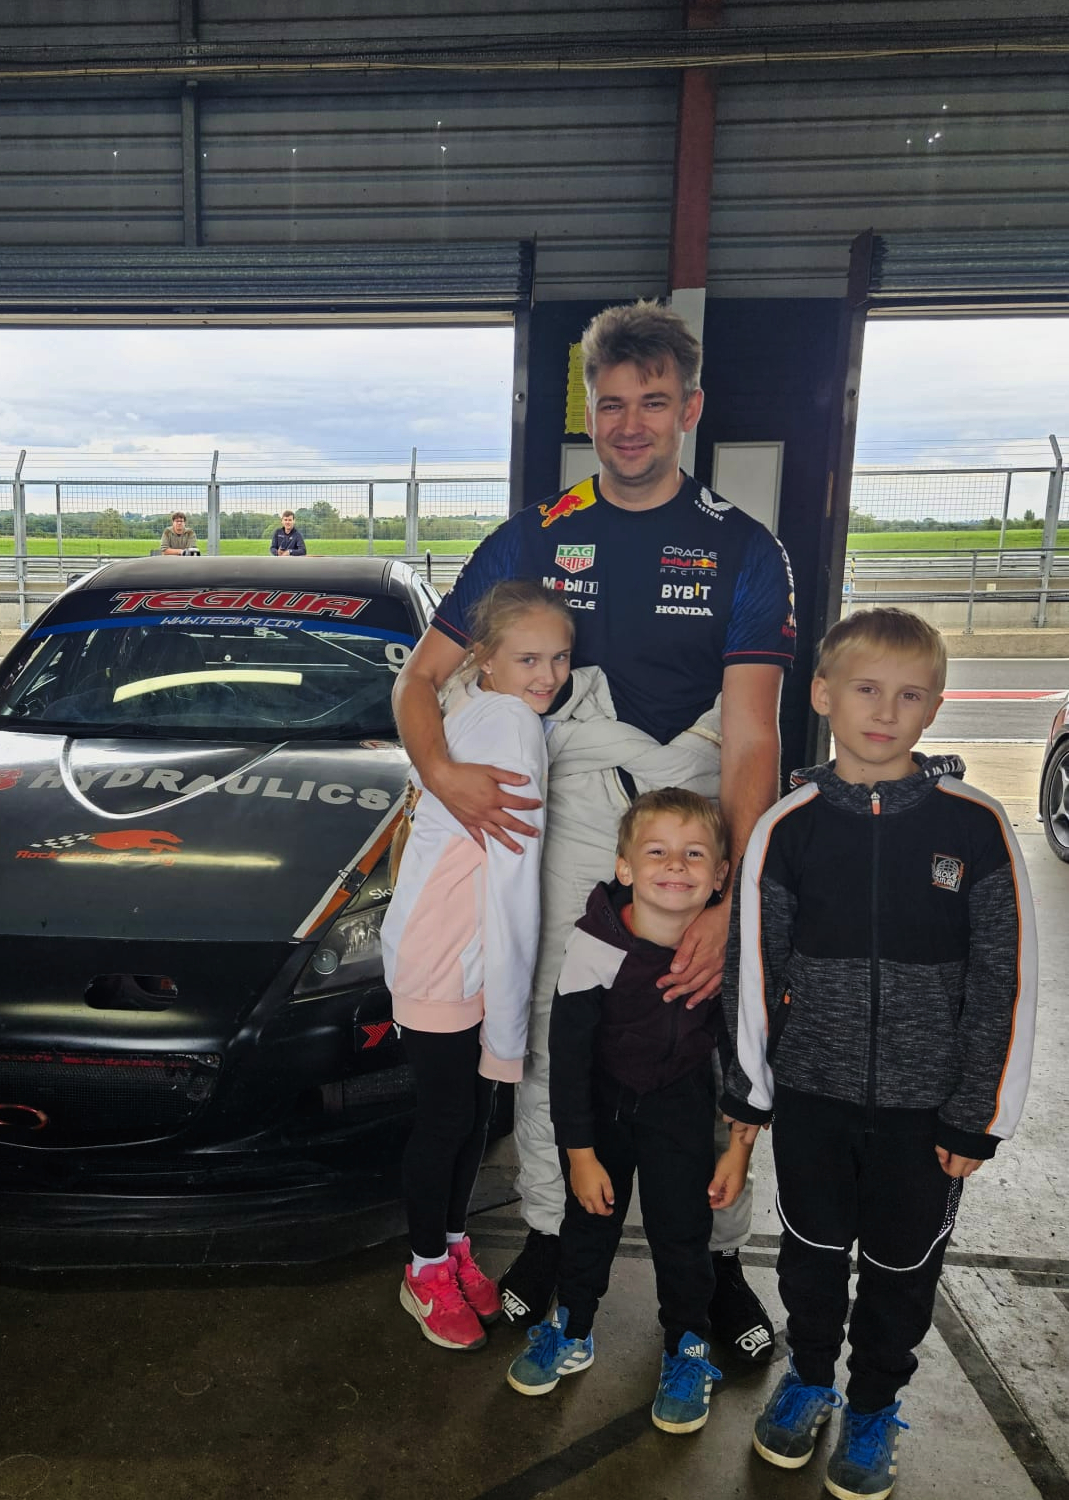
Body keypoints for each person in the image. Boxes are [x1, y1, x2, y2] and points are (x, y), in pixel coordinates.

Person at [391, 298, 796, 1359]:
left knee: (702, 1021)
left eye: (652, 403)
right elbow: (421, 680)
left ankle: (711, 1259)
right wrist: (443, 775)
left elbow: (754, 737)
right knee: (542, 1019)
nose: (629, 424)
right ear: (588, 410)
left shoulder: (745, 549)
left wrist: (731, 896)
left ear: (688, 410)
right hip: (562, 802)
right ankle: (547, 1233)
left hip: (694, 805)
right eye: (611, 404)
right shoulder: (533, 531)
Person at [724, 608, 1037, 1500]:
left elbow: (1006, 982)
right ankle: (812, 1378)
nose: (885, 711)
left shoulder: (975, 828)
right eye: (866, 689)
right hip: (813, 1099)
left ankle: (872, 1405)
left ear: (934, 708)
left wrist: (979, 1114)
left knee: (903, 1267)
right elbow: (753, 969)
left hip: (926, 1112)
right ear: (823, 695)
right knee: (810, 1253)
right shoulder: (788, 828)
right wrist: (748, 1102)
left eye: (909, 696)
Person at [507, 789, 749, 1439]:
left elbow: (744, 1051)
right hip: (604, 1107)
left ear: (721, 874)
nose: (676, 865)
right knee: (587, 1228)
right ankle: (573, 1328)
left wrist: (738, 1147)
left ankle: (688, 1348)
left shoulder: (724, 953)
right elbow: (569, 1056)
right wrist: (579, 1155)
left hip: (682, 1106)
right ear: (625, 867)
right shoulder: (595, 944)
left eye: (695, 853)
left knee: (683, 1233)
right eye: (657, 852)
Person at [382, 581, 573, 1351]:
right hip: (444, 953)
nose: (547, 675)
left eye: (560, 658)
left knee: (467, 1116)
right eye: (528, 657)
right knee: (448, 1119)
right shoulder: (508, 722)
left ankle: (454, 1246)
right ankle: (425, 1270)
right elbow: (512, 879)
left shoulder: (485, 710)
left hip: (460, 948)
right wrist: (512, 993)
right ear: (484, 659)